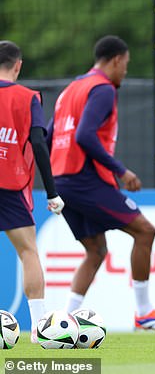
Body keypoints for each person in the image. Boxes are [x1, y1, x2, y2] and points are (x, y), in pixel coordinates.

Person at [48, 35, 155, 331]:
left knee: (95, 251)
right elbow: (84, 135)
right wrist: (121, 171)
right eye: (126, 65)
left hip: (61, 182)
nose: (125, 72)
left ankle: (64, 321)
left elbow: (47, 136)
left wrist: (48, 181)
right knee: (145, 231)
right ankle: (145, 312)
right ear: (117, 60)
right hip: (84, 179)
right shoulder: (103, 89)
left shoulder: (70, 89)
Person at [0, 40, 65, 343]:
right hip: (10, 185)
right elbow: (39, 144)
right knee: (28, 252)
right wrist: (51, 192)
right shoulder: (27, 98)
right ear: (18, 65)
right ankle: (41, 329)